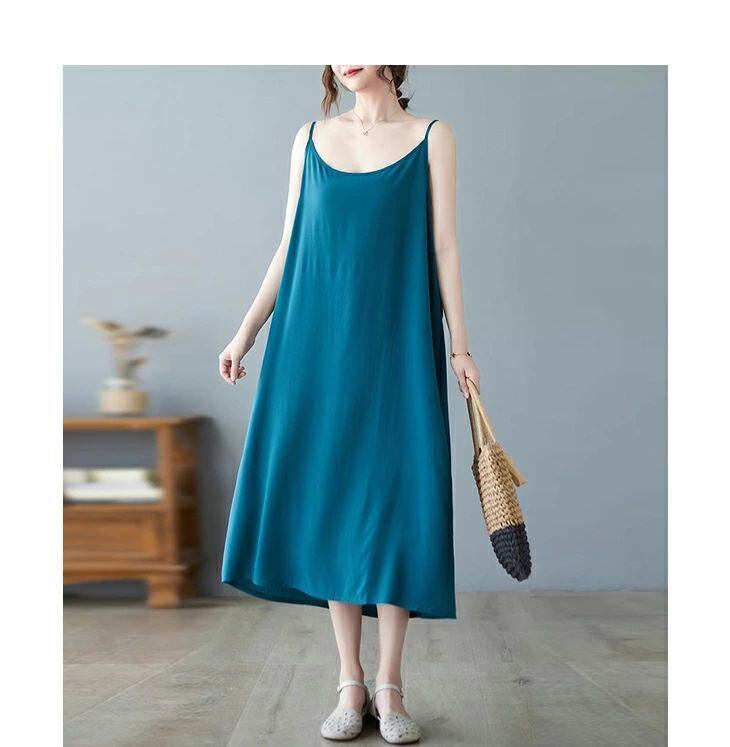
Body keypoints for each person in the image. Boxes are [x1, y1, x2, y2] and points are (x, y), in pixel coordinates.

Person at [220, 65, 480, 743]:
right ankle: (350, 681)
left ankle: (390, 684)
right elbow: (290, 244)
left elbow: (445, 246)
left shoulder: (432, 136)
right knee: (333, 500)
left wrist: (460, 346)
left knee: (394, 502)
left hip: (397, 342)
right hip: (315, 344)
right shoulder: (309, 138)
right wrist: (246, 332)